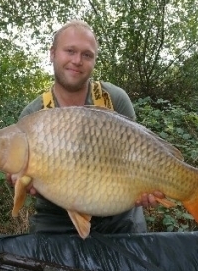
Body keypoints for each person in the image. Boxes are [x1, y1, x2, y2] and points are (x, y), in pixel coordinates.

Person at [9, 20, 164, 235]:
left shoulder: (114, 99)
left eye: (87, 55)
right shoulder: (33, 115)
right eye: (70, 51)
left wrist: (147, 188)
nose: (77, 61)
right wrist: (18, 181)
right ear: (52, 54)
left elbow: (137, 157)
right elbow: (18, 179)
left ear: (94, 61)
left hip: (116, 210)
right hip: (56, 216)